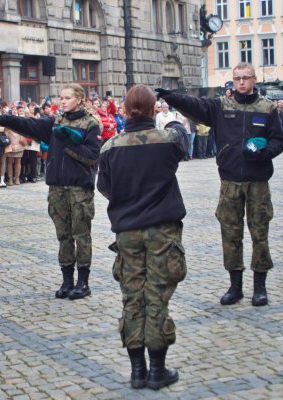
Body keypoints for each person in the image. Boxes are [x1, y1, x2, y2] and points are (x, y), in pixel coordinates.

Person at [156, 61, 283, 307]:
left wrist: (265, 151)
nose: (242, 82)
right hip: (230, 181)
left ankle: (260, 287)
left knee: (260, 233)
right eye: (238, 78)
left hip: (258, 182)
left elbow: (279, 140)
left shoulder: (267, 108)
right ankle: (235, 286)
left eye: (246, 77)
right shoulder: (221, 106)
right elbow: (196, 104)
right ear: (233, 80)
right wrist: (172, 97)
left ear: (254, 79)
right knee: (230, 233)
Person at [98, 85, 188, 390]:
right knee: (157, 296)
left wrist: (127, 200)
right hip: (162, 229)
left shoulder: (110, 147)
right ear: (153, 110)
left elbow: (104, 187)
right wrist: (169, 118)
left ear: (124, 110)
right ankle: (157, 370)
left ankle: (137, 370)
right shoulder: (166, 140)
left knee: (132, 298)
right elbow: (183, 137)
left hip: (127, 231)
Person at [0, 83, 102, 299]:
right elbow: (30, 125)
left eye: (67, 97)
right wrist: (4, 119)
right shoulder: (56, 121)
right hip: (57, 188)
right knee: (63, 236)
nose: (63, 101)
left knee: (81, 235)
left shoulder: (91, 123)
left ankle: (83, 282)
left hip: (79, 189)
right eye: (61, 97)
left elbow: (92, 157)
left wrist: (69, 143)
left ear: (79, 99)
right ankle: (67, 281)